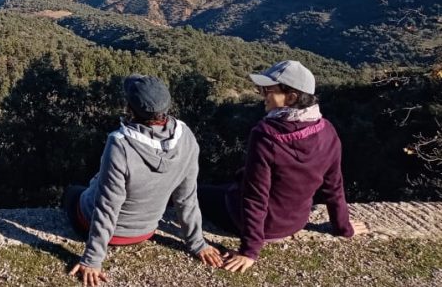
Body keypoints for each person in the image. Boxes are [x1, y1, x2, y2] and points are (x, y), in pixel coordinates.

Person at [198, 60, 369, 273]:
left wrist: (249, 250)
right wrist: (344, 227)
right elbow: (333, 186)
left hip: (252, 223)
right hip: (295, 222)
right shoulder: (327, 131)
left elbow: (255, 196)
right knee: (226, 187)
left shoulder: (266, 135)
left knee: (194, 193)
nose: (262, 94)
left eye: (267, 90)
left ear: (291, 97)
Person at [65, 74, 223, 286]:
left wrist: (93, 260)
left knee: (73, 191)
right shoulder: (186, 137)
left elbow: (107, 208)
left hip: (106, 231)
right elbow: (187, 198)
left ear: (130, 109)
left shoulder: (119, 144)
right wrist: (197, 244)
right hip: (146, 231)